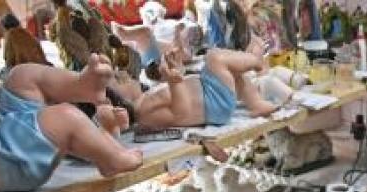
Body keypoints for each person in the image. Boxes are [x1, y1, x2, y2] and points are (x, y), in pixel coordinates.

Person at [0, 55, 142, 192]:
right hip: (6, 157)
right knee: (65, 118)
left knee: (21, 76)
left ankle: (82, 85)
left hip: (0, 128)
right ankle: (110, 159)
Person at [111, 43, 274, 129]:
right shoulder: (144, 113)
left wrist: (177, 70)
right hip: (214, 104)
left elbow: (183, 89)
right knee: (214, 57)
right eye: (119, 80)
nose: (125, 74)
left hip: (211, 94)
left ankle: (257, 104)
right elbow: (180, 115)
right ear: (121, 102)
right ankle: (256, 61)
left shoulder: (146, 97)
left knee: (233, 70)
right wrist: (175, 83)